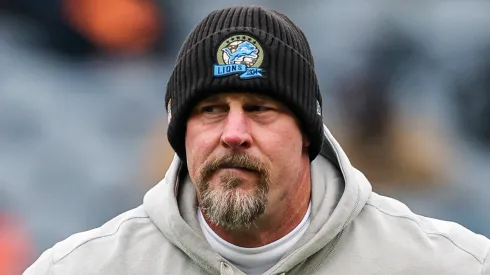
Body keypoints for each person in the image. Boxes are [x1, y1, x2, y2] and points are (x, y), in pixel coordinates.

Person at [24, 5, 490, 275]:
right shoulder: (77, 270)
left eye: (260, 109)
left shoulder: (454, 266)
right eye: (210, 110)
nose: (233, 133)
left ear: (308, 133)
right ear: (178, 132)